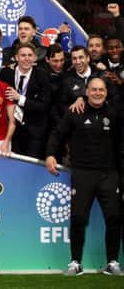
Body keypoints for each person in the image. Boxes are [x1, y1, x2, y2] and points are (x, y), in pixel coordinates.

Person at [45, 77, 123, 276]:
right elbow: (57, 134)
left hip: (109, 173)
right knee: (78, 218)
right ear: (86, 92)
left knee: (114, 218)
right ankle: (75, 262)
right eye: (94, 89)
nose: (97, 93)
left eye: (101, 90)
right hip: (82, 173)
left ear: (106, 92)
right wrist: (50, 154)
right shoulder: (75, 112)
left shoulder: (115, 113)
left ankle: (113, 262)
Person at [0, 42, 51, 159]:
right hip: (11, 130)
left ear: (35, 57)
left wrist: (20, 98)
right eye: (23, 55)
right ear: (16, 57)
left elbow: (44, 106)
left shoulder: (42, 76)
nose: (26, 59)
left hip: (34, 131)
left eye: (29, 55)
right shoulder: (6, 73)